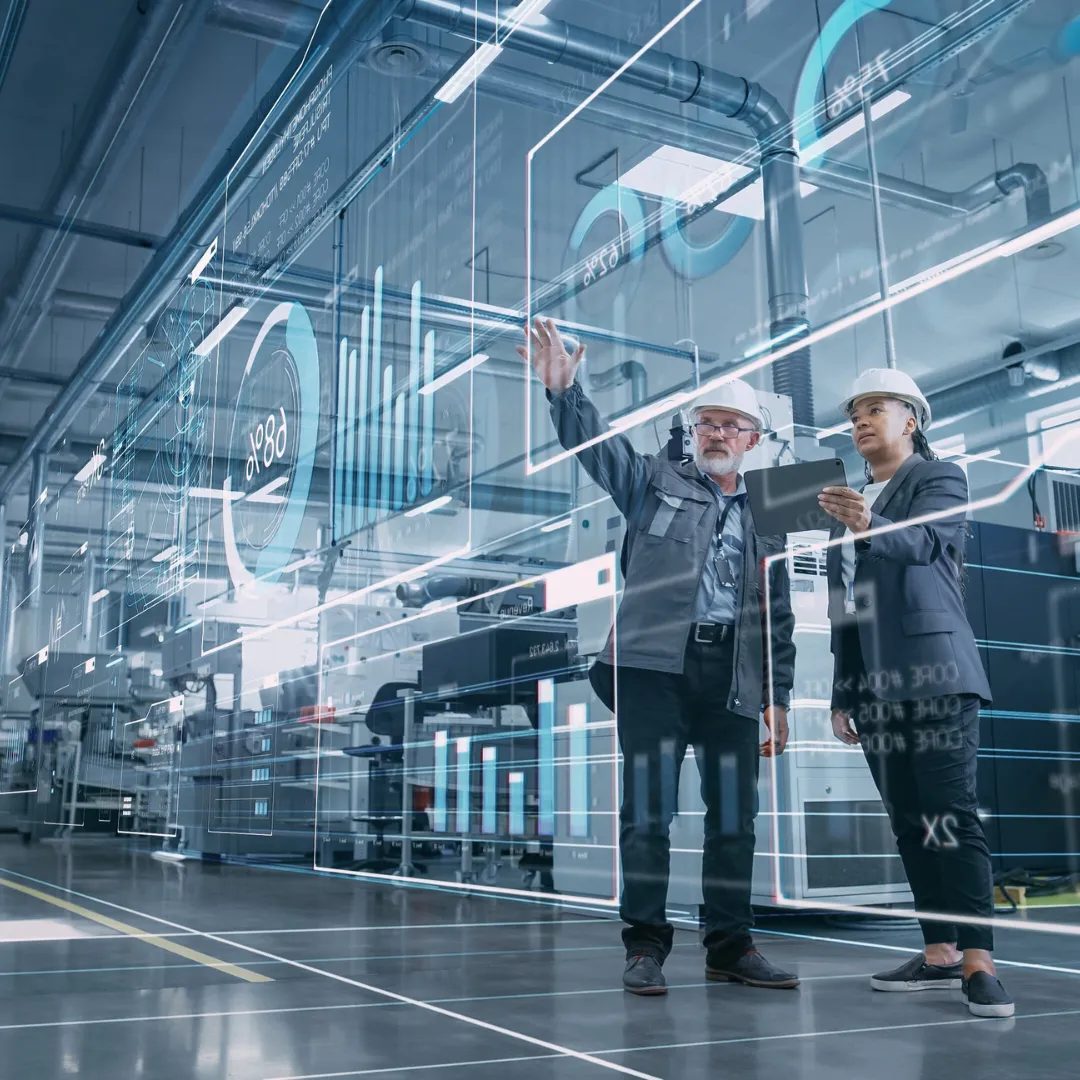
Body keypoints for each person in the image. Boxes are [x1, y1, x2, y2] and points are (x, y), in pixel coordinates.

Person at [518, 317, 798, 996]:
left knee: (734, 818)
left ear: (753, 441)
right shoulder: (652, 481)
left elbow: (778, 613)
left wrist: (778, 695)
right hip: (652, 673)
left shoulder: (770, 512)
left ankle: (730, 944)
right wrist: (566, 393)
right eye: (709, 423)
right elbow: (596, 447)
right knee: (647, 813)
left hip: (733, 676)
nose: (719, 434)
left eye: (733, 426)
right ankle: (644, 946)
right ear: (694, 432)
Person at [819, 367, 1013, 1019]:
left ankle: (980, 961)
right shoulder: (842, 505)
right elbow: (845, 608)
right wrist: (843, 692)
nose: (862, 421)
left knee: (948, 814)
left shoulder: (940, 479)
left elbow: (928, 544)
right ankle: (939, 954)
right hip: (875, 689)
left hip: (936, 672)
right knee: (909, 822)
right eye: (855, 414)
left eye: (877, 407)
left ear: (912, 420)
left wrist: (866, 517)